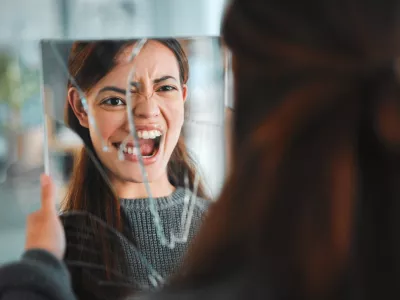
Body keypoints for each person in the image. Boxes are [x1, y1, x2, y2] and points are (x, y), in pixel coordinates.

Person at [2, 0, 400, 299]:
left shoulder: (231, 232)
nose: (146, 114)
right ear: (79, 107)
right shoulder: (66, 240)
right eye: (115, 99)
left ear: (186, 98)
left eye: (165, 88)